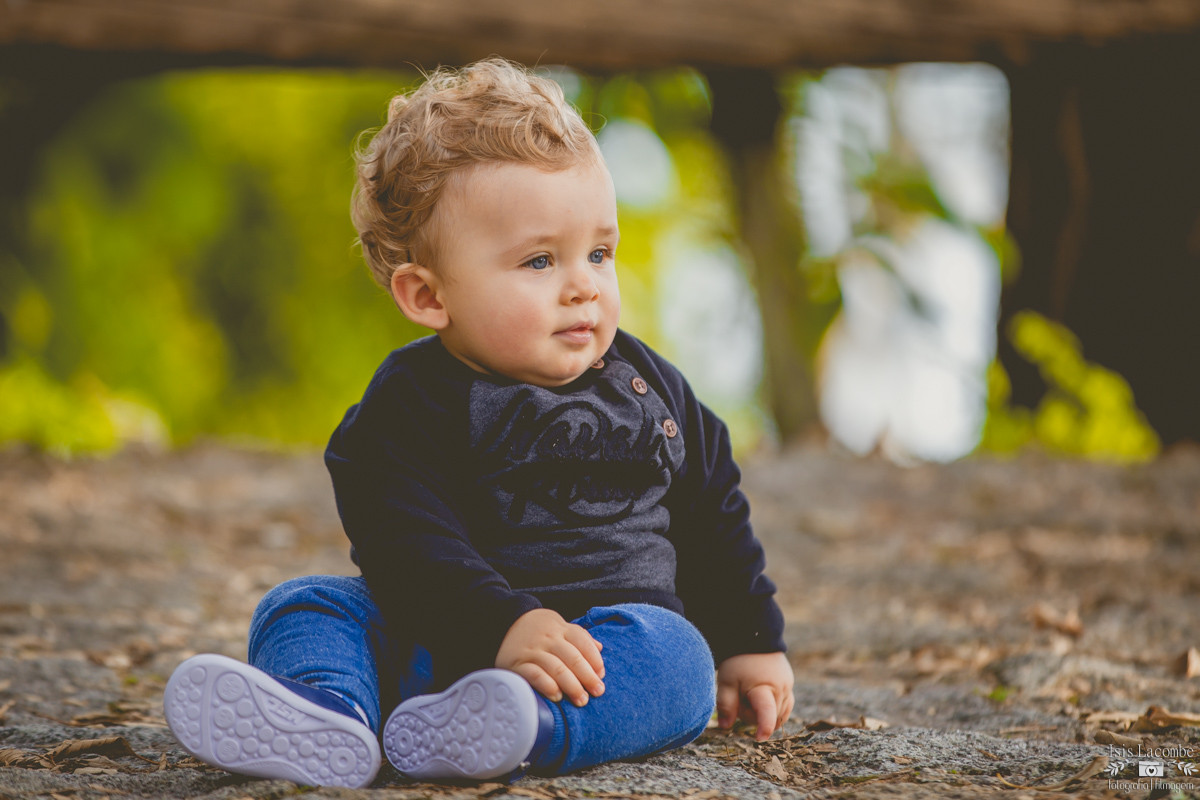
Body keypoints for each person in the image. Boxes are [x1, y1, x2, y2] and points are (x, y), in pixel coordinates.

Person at [164, 57, 794, 789]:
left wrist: (751, 640)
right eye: (538, 261)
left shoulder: (649, 387)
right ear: (429, 296)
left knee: (680, 661)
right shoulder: (412, 402)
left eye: (599, 252)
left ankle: (527, 726)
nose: (584, 284)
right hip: (441, 637)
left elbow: (714, 510)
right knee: (306, 603)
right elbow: (403, 538)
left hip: (601, 657)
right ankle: (327, 712)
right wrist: (501, 625)